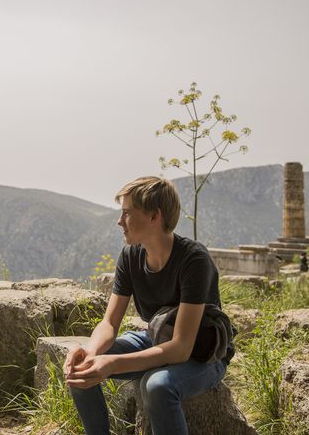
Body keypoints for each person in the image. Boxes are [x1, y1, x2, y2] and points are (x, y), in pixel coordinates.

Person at [64, 176, 234, 435]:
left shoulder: (194, 261)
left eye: (127, 213)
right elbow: (110, 322)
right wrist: (92, 353)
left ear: (155, 216)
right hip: (156, 338)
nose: (120, 221)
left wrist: (110, 364)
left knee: (157, 386)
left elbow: (180, 348)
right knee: (81, 370)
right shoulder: (131, 255)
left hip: (204, 354)